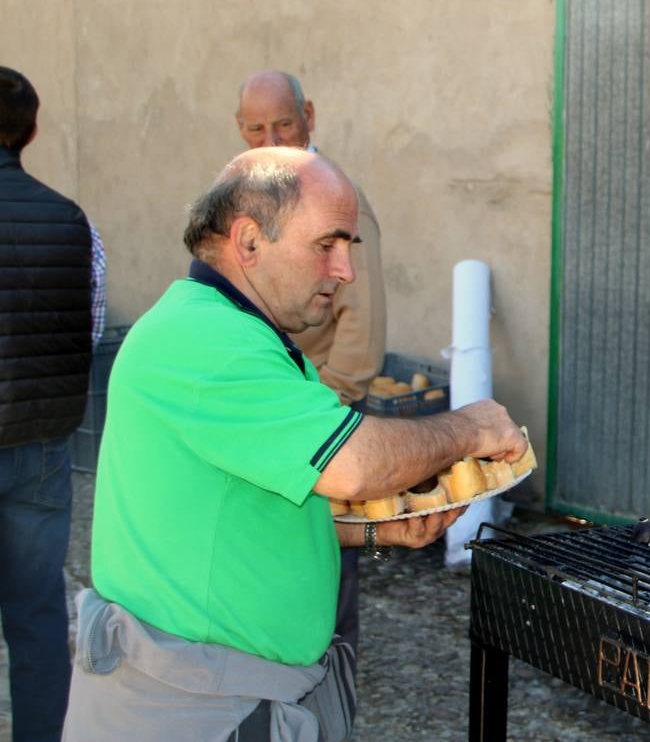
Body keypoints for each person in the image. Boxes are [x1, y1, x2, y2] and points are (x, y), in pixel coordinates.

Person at [65, 148, 526, 740]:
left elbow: (245, 505)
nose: (346, 271)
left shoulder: (238, 334)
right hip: (199, 707)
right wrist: (470, 427)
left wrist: (374, 531)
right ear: (249, 241)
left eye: (350, 248)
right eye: (326, 245)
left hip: (221, 691)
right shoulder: (211, 342)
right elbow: (354, 464)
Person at [236, 69, 385, 660]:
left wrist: (331, 404)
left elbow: (363, 321)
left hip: (322, 412)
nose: (270, 137)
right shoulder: (244, 198)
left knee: (328, 571)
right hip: (266, 416)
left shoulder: (338, 199)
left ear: (311, 117)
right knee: (271, 566)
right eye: (255, 128)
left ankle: (328, 690)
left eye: (283, 124)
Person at [0, 67, 96, 742]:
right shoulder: (69, 220)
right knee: (36, 616)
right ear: (31, 131)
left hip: (35, 437)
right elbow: (88, 327)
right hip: (38, 445)